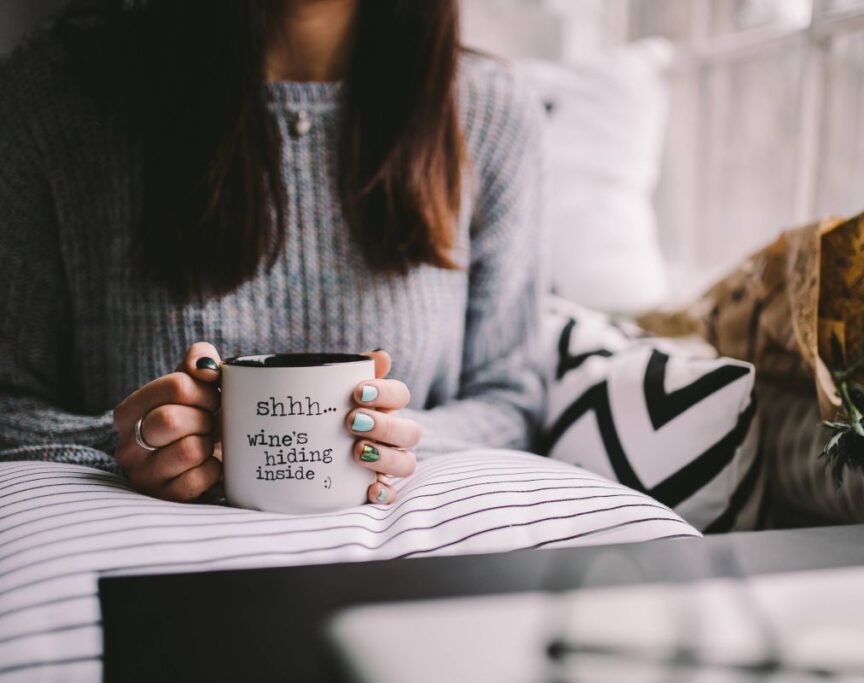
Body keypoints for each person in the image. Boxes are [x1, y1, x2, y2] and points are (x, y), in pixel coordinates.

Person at [0, 0, 545, 505]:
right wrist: (124, 443)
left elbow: (509, 399)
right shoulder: (57, 96)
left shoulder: (489, 112)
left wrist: (402, 441)